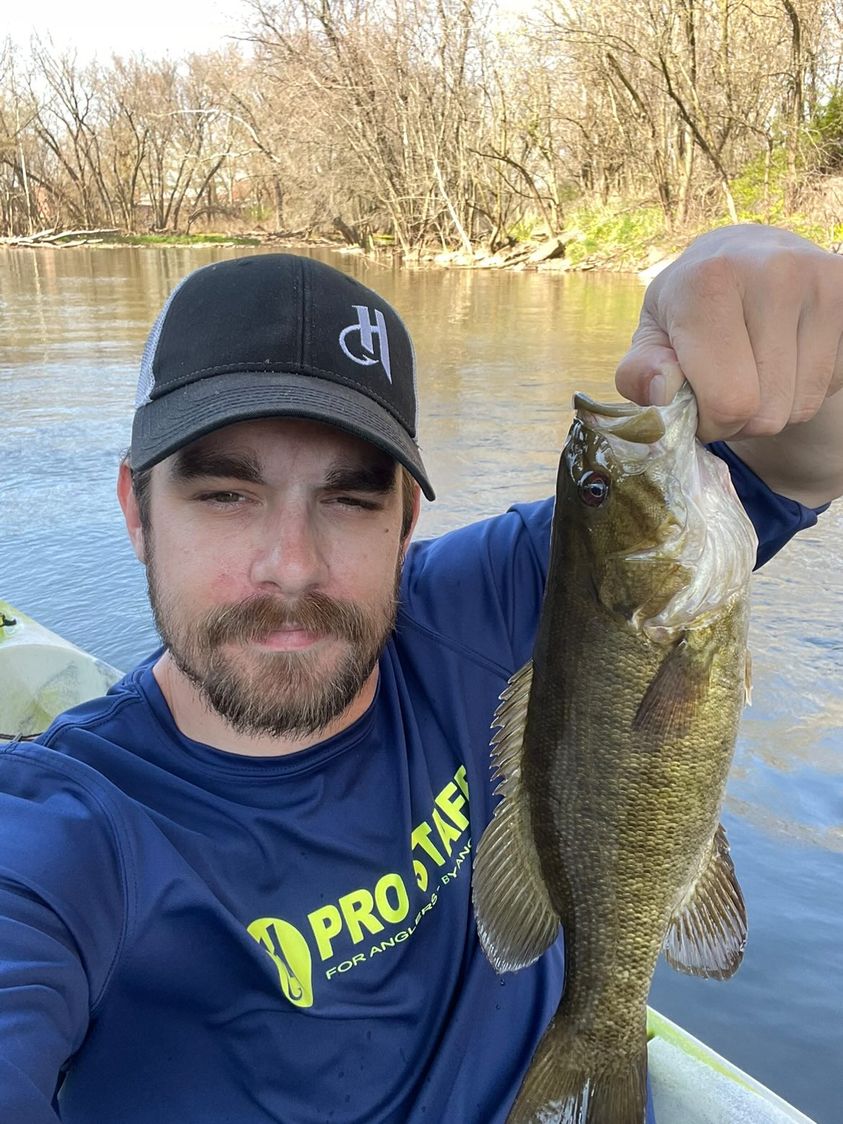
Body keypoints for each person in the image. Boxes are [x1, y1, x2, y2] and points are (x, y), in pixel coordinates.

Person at [0, 223, 840, 1124]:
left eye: (351, 497)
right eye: (224, 494)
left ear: (404, 521)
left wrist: (785, 312)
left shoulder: (499, 601)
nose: (291, 563)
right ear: (136, 513)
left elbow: (801, 457)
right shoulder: (59, 841)